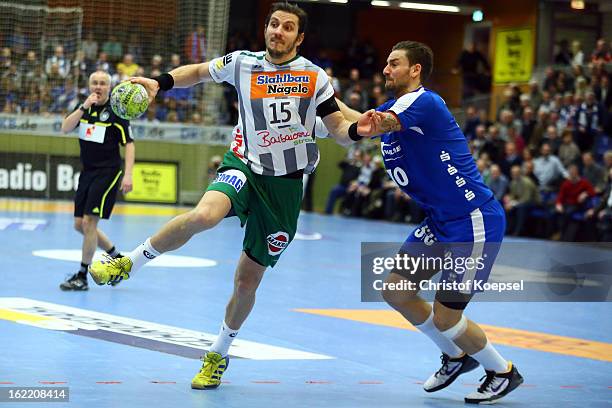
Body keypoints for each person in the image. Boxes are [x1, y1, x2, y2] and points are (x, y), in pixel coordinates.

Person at [89, 2, 366, 390]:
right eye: (273, 24)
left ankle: (218, 353)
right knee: (204, 215)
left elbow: (339, 122)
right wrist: (160, 82)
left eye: (288, 28)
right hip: (244, 165)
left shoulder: (314, 78)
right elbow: (200, 72)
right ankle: (128, 263)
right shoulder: (243, 62)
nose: (278, 32)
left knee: (246, 282)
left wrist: (369, 127)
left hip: (285, 186)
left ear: (299, 38)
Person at [346, 40, 523, 404]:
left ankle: (502, 371)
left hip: (472, 221)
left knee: (447, 317)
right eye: (386, 62)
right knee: (395, 289)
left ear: (415, 70)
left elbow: (376, 124)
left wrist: (336, 118)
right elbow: (358, 120)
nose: (385, 69)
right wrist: (320, 107)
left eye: (394, 63)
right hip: (441, 222)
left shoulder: (425, 102)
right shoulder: (396, 106)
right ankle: (456, 356)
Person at [59, 70, 135, 291]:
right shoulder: (84, 108)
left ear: (109, 88)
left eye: (102, 83)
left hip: (108, 173)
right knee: (79, 225)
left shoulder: (117, 112)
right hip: (87, 172)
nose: (98, 87)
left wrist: (128, 174)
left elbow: (129, 143)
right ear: (89, 86)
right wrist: (84, 106)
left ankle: (82, 276)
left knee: (89, 223)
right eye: (95, 83)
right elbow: (65, 128)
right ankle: (119, 260)